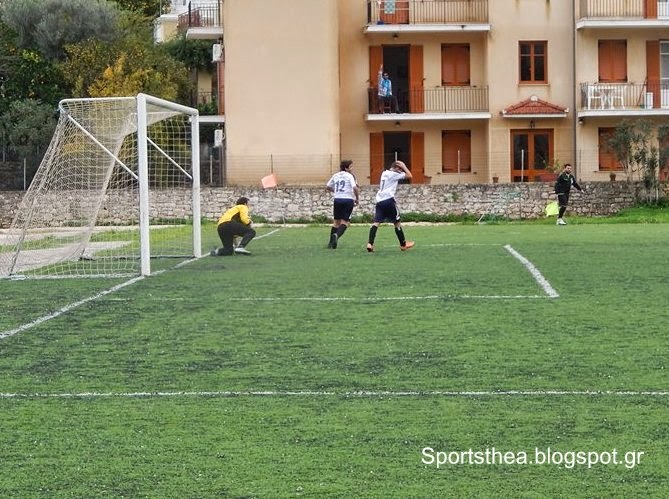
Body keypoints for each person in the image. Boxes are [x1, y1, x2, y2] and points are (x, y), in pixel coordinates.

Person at [366, 160, 415, 252]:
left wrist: (400, 168)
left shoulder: (384, 173)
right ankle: (403, 245)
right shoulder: (394, 174)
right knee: (397, 222)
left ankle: (370, 243)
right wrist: (404, 166)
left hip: (379, 201)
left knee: (376, 222)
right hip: (389, 200)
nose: (401, 171)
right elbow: (410, 176)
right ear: (396, 168)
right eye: (400, 169)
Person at [326, 159, 360, 249]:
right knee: (345, 222)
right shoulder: (350, 176)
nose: (352, 168)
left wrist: (336, 191)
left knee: (336, 222)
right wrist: (357, 199)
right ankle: (336, 235)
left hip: (337, 199)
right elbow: (355, 188)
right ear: (346, 168)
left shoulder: (336, 175)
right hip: (348, 200)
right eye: (351, 167)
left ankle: (330, 243)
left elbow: (328, 186)